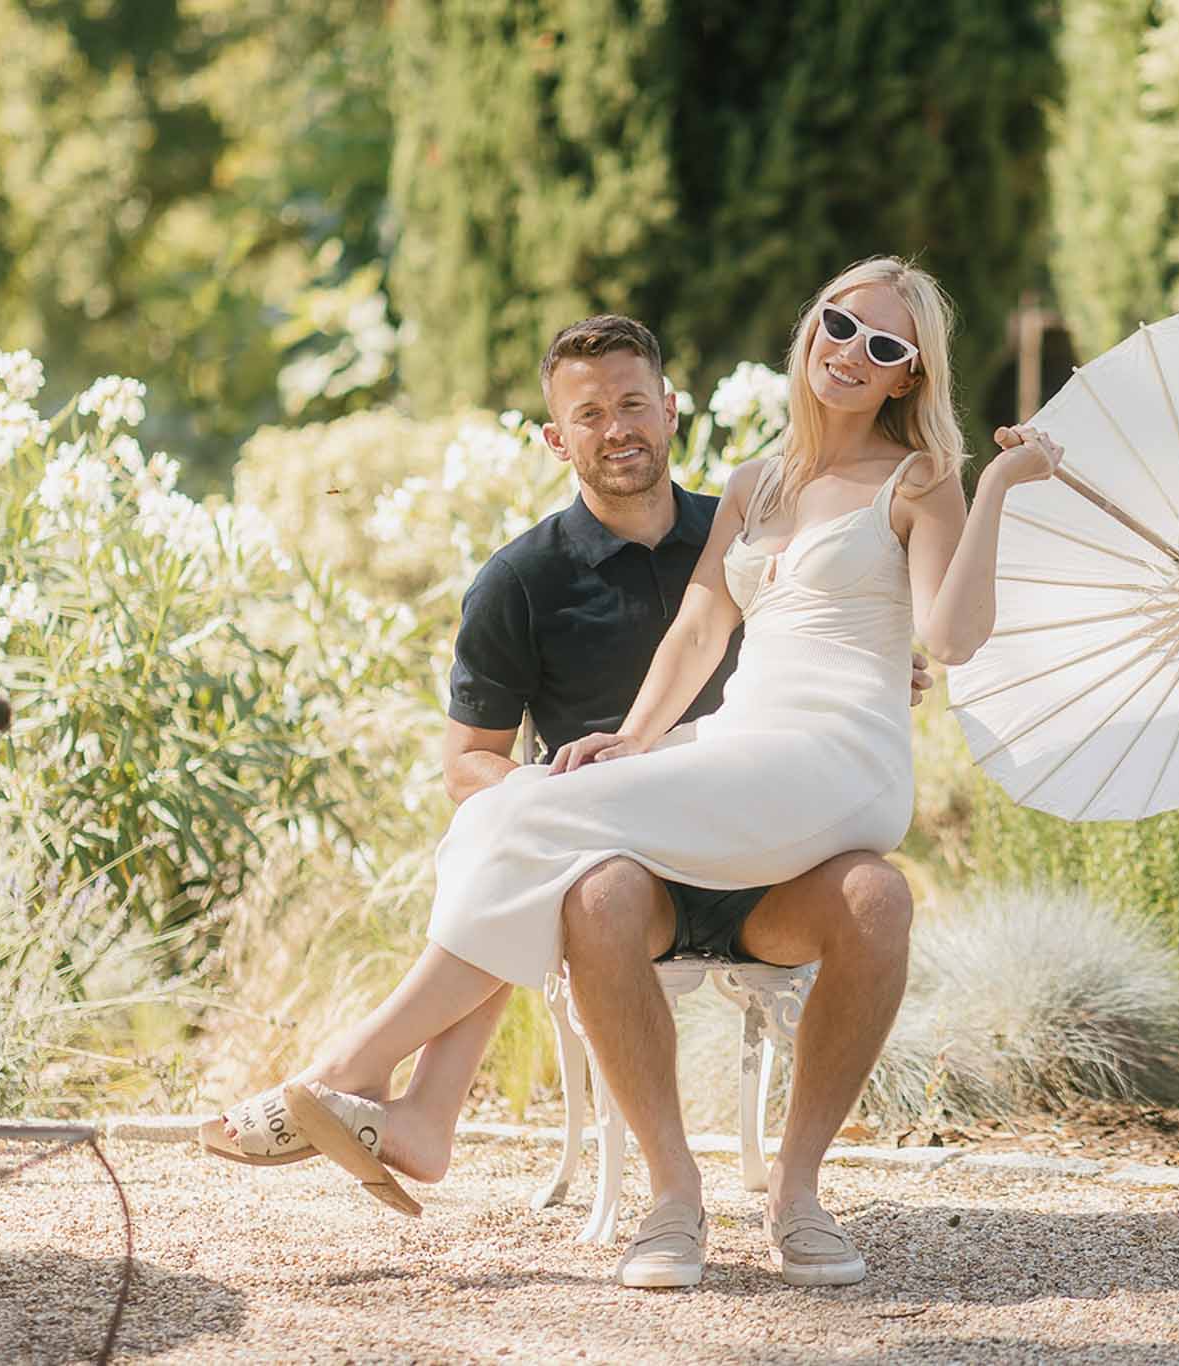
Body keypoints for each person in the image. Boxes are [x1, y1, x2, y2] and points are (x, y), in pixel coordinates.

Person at [205, 256, 1062, 1289]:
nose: (851, 353)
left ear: (908, 376)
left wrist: (1000, 488)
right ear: (811, 327)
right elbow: (702, 625)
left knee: (536, 809)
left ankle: (354, 1071)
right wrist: (638, 738)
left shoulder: (921, 479)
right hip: (738, 747)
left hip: (831, 762)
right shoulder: (754, 485)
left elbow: (951, 636)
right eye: (840, 324)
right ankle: (434, 1115)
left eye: (884, 346)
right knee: (518, 801)